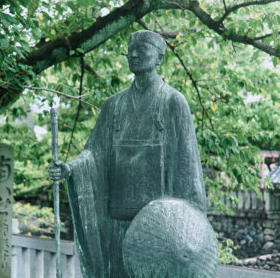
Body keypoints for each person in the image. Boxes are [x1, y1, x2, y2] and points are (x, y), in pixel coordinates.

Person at [49, 30, 207, 277]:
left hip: (159, 231)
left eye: (142, 49)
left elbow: (188, 164)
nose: (133, 54)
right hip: (117, 223)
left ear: (159, 58)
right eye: (130, 49)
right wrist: (70, 169)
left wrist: (192, 221)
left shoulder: (173, 102)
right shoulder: (114, 106)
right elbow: (95, 153)